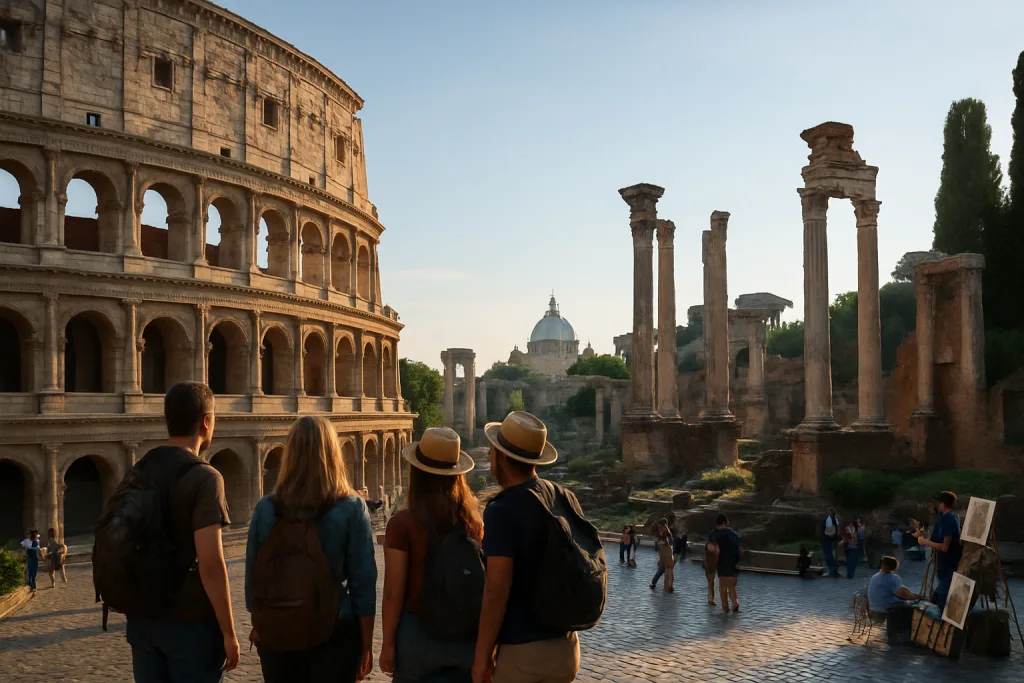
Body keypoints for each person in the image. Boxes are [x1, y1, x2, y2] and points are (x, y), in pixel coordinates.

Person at [115, 382, 238, 683]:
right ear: (206, 422)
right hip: (190, 624)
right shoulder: (205, 478)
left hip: (143, 620)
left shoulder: (139, 469)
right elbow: (210, 563)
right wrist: (229, 632)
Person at [246, 415, 376, 683]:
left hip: (278, 634)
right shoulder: (351, 508)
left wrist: (262, 624)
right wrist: (365, 645)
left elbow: (252, 582)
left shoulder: (265, 508)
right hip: (334, 632)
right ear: (333, 454)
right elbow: (363, 585)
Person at [473, 412, 585, 683]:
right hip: (567, 648)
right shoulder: (565, 497)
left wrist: (482, 657)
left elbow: (496, 591)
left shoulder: (502, 510)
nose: (489, 455)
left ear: (502, 457)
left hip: (523, 654)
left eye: (492, 450)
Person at [380, 427, 483, 683]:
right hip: (465, 634)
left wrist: (388, 645)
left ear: (417, 474)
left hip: (417, 634)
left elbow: (393, 591)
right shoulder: (473, 523)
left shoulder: (403, 523)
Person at [914, 491, 963, 608]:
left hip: (949, 562)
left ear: (942, 504)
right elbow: (936, 536)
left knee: (944, 593)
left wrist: (925, 542)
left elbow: (945, 547)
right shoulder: (945, 517)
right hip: (942, 562)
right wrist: (922, 534)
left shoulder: (949, 519)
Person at [707, 514, 741, 613]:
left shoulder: (714, 534)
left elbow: (710, 548)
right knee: (728, 583)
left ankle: (729, 605)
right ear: (725, 522)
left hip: (721, 561)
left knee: (724, 584)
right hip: (733, 560)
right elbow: (738, 548)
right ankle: (731, 604)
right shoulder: (733, 533)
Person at [649, 521, 674, 592]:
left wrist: (665, 541)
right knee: (660, 572)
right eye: (658, 528)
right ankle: (655, 584)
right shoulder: (660, 537)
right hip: (663, 558)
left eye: (660, 528)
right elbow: (658, 549)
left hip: (668, 558)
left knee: (668, 572)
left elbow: (671, 543)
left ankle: (669, 587)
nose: (659, 529)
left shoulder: (668, 535)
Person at [821, 506, 840, 578]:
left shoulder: (830, 519)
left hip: (828, 540)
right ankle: (834, 570)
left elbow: (830, 531)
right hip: (831, 539)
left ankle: (832, 571)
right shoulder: (834, 519)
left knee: (829, 556)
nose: (827, 512)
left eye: (828, 510)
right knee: (832, 555)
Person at [704, 534, 719, 605]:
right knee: (711, 582)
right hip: (709, 566)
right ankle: (711, 599)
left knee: (711, 582)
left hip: (712, 566)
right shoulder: (711, 546)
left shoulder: (712, 546)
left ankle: (711, 599)